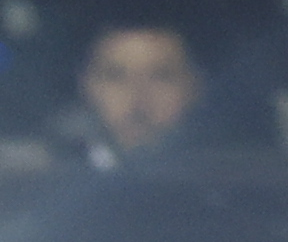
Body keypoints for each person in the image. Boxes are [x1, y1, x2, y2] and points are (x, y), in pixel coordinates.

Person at [80, 24, 205, 164]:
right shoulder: (55, 172)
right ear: (88, 86)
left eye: (161, 76)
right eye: (116, 76)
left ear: (194, 86)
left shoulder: (225, 173)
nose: (138, 99)